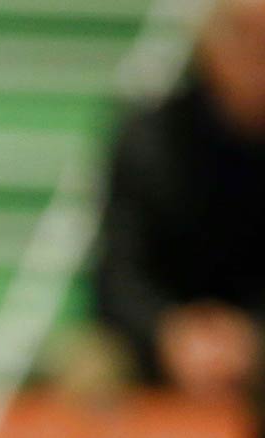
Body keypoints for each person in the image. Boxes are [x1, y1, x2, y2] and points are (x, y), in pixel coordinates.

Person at [91, 0, 264, 404]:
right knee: (85, 369)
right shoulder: (149, 138)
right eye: (244, 38)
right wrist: (169, 335)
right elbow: (117, 274)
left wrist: (252, 340)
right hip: (160, 344)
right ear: (208, 46)